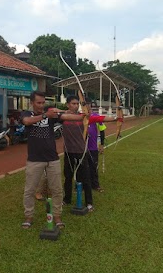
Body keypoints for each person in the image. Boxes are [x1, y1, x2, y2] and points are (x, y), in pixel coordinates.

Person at [21, 90, 85, 229]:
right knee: (30, 190)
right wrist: (45, 115)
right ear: (32, 103)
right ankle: (29, 216)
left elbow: (73, 117)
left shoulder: (52, 115)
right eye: (39, 103)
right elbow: (26, 122)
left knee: (57, 190)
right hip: (34, 159)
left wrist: (84, 112)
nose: (41, 105)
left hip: (52, 159)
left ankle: (57, 216)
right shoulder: (27, 114)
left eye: (44, 102)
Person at [62, 96, 118, 211]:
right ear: (67, 104)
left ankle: (89, 203)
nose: (76, 105)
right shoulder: (62, 117)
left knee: (86, 178)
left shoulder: (84, 117)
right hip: (68, 152)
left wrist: (118, 117)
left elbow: (103, 118)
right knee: (68, 177)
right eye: (73, 103)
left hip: (82, 152)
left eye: (77, 103)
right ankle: (66, 199)